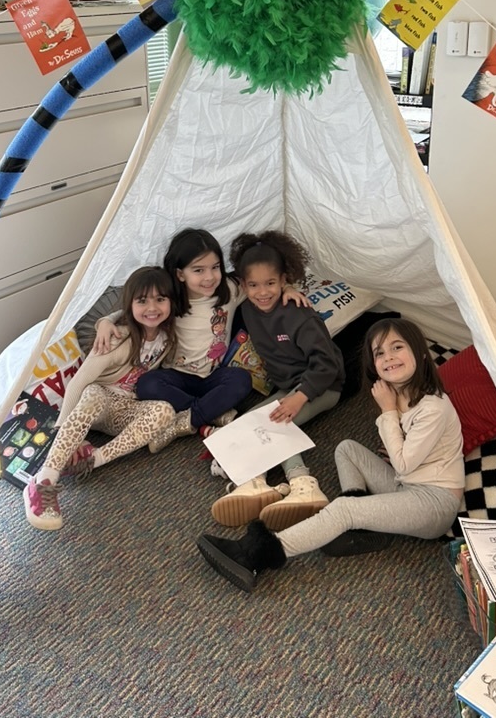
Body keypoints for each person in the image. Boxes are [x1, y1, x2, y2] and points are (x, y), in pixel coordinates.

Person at [196, 317, 465, 593]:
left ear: (420, 353)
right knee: (346, 448)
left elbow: (405, 464)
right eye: (380, 352)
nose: (389, 357)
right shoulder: (399, 393)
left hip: (434, 504)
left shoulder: (432, 407)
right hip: (406, 486)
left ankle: (256, 556)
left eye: (398, 347)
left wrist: (387, 412)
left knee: (343, 509)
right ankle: (360, 528)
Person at [94, 228, 307, 455]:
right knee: (147, 384)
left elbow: (261, 284)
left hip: (214, 376)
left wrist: (288, 287)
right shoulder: (170, 299)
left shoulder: (231, 290)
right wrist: (105, 321)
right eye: (198, 270)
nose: (209, 277)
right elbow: (137, 308)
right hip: (176, 376)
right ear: (180, 274)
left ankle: (185, 423)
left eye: (215, 267)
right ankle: (212, 413)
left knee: (241, 380)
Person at [23, 266, 177, 531]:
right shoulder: (117, 339)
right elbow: (79, 383)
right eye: (143, 300)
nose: (152, 307)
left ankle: (93, 460)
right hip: (97, 402)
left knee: (164, 411)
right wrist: (67, 433)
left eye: (160, 299)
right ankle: (43, 480)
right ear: (131, 304)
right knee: (93, 391)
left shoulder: (166, 338)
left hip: (124, 408)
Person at [210, 230, 345, 531]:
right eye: (254, 285)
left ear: (284, 280)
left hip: (322, 385)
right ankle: (256, 482)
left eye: (271, 283)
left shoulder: (299, 315)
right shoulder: (247, 309)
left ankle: (302, 484)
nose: (263, 292)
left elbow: (329, 365)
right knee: (247, 420)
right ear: (243, 285)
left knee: (276, 420)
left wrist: (300, 397)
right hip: (287, 384)